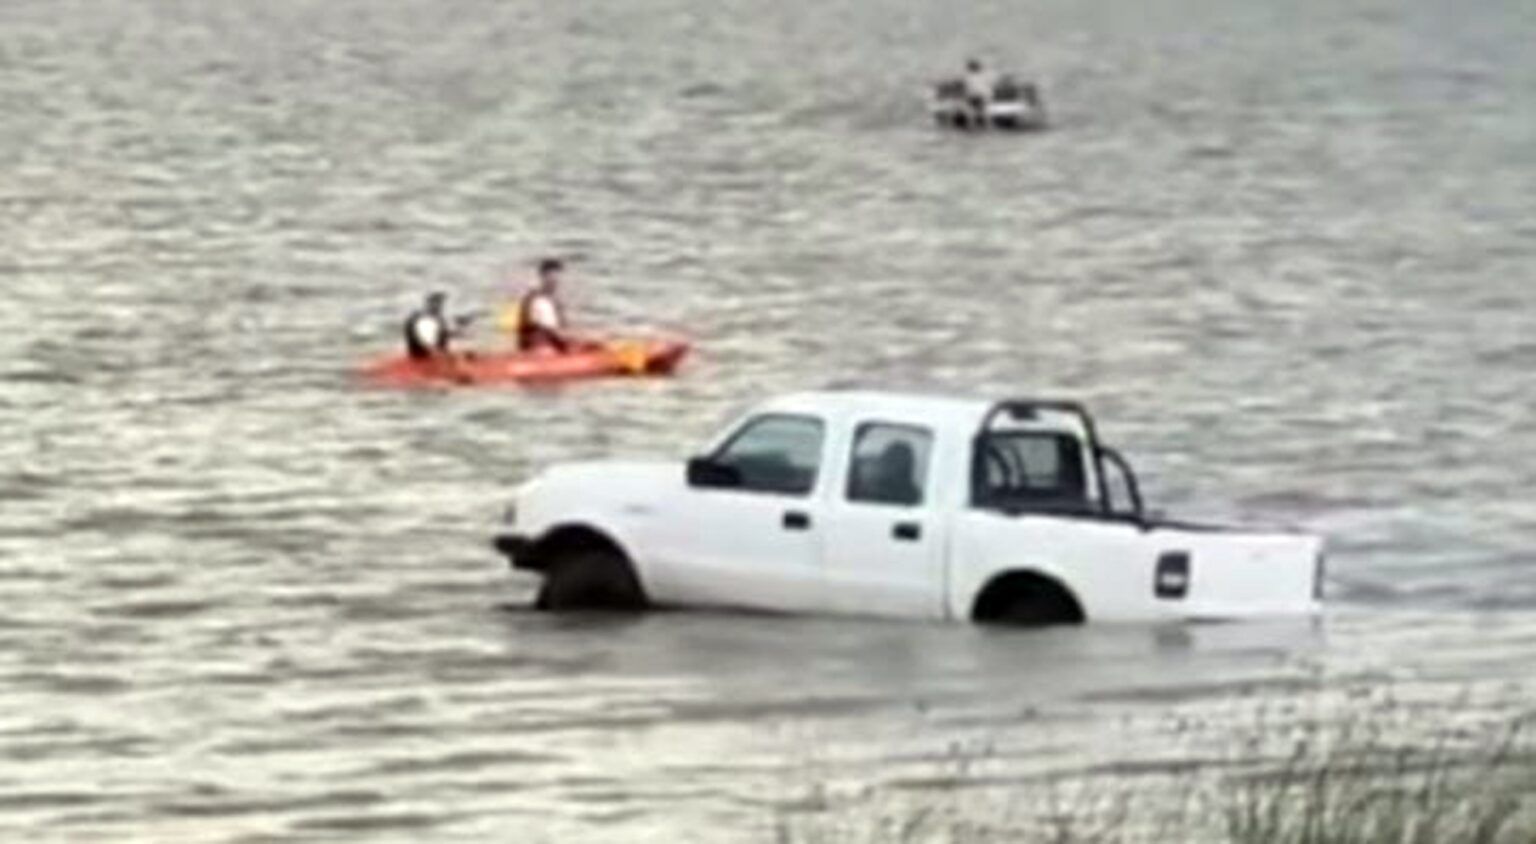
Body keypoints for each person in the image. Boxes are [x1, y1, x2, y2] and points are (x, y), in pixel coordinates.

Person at [514, 258, 573, 352]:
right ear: (543, 277)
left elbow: (561, 330)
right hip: (539, 348)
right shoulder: (538, 300)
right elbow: (552, 331)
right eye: (552, 277)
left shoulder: (553, 300)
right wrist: (567, 343)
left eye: (557, 278)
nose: (555, 281)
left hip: (549, 345)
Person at [403, 292, 454, 360]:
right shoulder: (437, 319)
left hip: (416, 351)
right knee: (441, 329)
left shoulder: (415, 317)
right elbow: (440, 335)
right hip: (425, 350)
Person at [962, 58, 994, 129]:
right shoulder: (983, 75)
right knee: (984, 111)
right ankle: (988, 125)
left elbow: (966, 87)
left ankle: (971, 125)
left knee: (971, 111)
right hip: (983, 94)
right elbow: (989, 85)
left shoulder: (968, 77)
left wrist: (965, 96)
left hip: (972, 95)